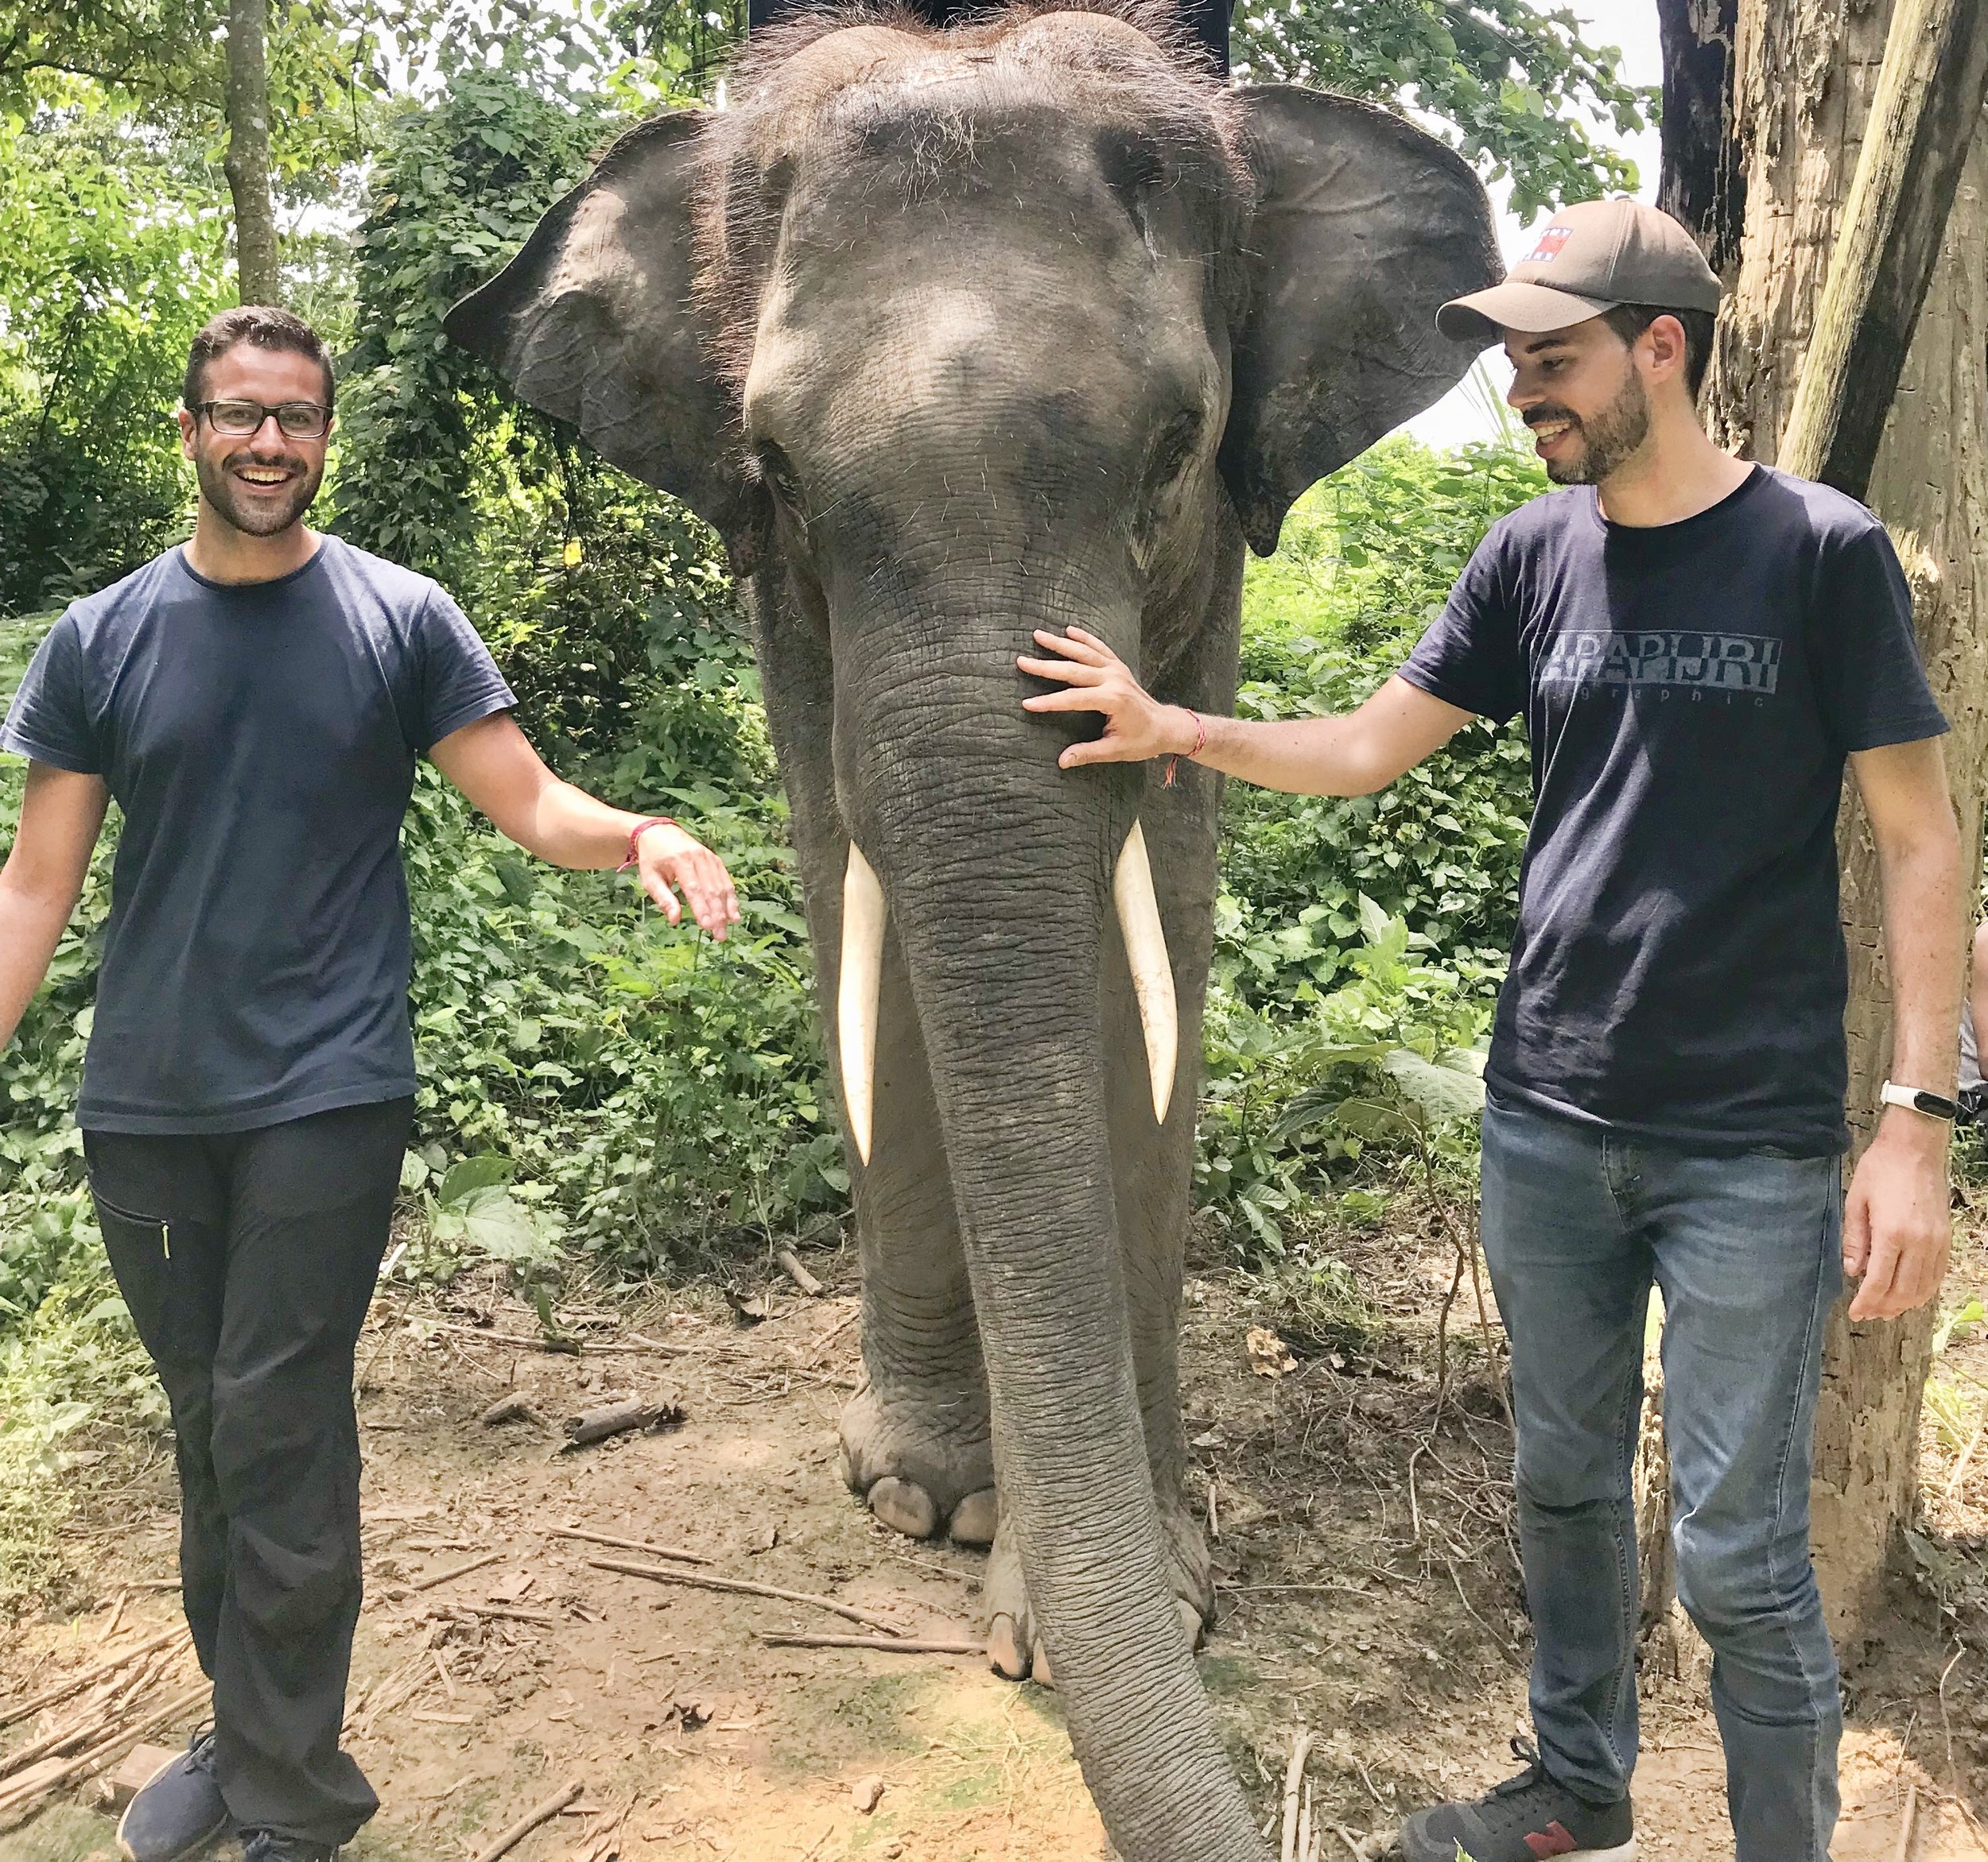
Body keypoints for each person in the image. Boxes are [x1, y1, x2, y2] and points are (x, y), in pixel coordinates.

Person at [1017, 197, 1963, 1862]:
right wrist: (1171, 726)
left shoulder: (1816, 555)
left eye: (1550, 357)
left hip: (1746, 1141)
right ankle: (1578, 1783)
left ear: (1656, 351)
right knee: (1559, 1486)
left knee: (1737, 1560)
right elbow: (1369, 743)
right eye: (1512, 360)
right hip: (1545, 1118)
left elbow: (1917, 835)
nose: (1517, 388)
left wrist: (1914, 1119)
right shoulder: (1531, 558)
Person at [0, 307, 741, 1862]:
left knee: (276, 1414)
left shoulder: (398, 619)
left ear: (322, 437)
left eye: (295, 418)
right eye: (238, 415)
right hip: (147, 1096)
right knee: (210, 1423)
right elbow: (33, 886)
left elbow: (527, 798)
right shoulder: (100, 639)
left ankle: (295, 1796)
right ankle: (248, 1722)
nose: (268, 442)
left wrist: (643, 835)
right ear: (193, 430)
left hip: (325, 1086)